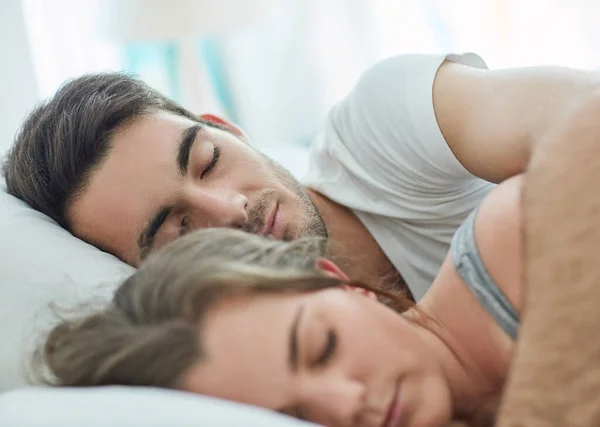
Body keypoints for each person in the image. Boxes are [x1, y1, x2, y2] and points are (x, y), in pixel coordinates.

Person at [4, 53, 600, 301]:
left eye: (208, 161)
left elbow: (589, 121)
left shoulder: (385, 124)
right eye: (180, 230)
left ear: (227, 128)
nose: (232, 209)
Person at [37, 170, 524, 427]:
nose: (347, 404)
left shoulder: (520, 236)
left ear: (338, 281)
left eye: (323, 345)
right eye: (296, 419)